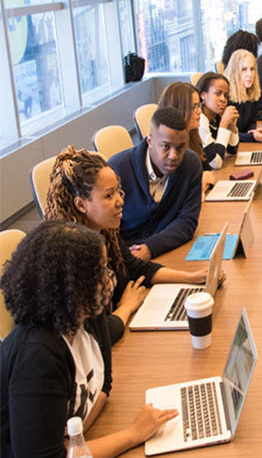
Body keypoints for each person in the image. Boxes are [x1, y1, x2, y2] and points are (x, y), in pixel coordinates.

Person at [0, 221, 177, 458]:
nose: (109, 279)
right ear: (71, 287)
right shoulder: (38, 354)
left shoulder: (84, 314)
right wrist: (132, 434)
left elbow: (104, 386)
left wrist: (73, 444)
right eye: (99, 273)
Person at [44, 147, 208, 344]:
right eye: (108, 196)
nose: (120, 201)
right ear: (81, 205)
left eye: (118, 192)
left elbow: (137, 268)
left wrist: (192, 278)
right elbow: (91, 338)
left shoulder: (105, 232)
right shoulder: (70, 258)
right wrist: (126, 307)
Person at [108, 107, 202, 261]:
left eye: (180, 147)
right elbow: (104, 230)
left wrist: (150, 248)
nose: (174, 156)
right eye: (165, 146)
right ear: (150, 142)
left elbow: (187, 221)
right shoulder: (116, 169)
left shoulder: (191, 164)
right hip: (125, 258)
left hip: (166, 252)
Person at [196, 72, 240, 170]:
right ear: (203, 95)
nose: (223, 99)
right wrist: (224, 124)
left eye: (226, 95)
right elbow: (215, 163)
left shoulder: (217, 116)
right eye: (218, 93)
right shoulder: (200, 119)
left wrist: (232, 125)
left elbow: (232, 151)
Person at [224, 50, 262, 141]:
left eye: (252, 69)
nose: (249, 74)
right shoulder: (226, 97)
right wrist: (251, 137)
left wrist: (253, 131)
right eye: (244, 70)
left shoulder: (251, 93)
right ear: (235, 72)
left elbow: (251, 121)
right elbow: (227, 134)